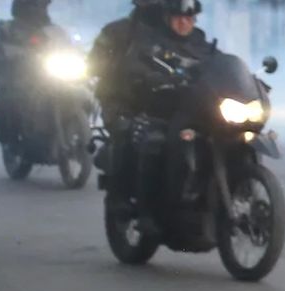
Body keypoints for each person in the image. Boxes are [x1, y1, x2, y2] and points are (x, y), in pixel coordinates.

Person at [89, 0, 211, 237]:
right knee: (137, 134)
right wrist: (117, 74)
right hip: (121, 99)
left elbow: (213, 62)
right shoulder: (120, 31)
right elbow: (103, 65)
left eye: (189, 17)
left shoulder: (190, 36)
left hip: (164, 103)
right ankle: (124, 199)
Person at [0, 0, 58, 144]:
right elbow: (1, 51)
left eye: (41, 6)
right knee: (13, 97)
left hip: (43, 73)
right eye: (34, 6)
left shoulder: (51, 30)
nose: (38, 11)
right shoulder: (9, 29)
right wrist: (19, 56)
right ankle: (12, 137)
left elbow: (63, 45)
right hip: (18, 75)